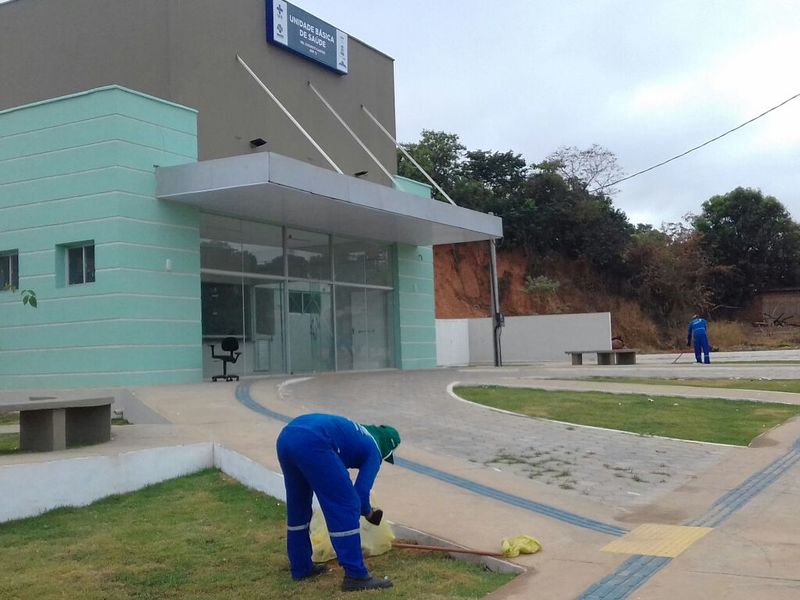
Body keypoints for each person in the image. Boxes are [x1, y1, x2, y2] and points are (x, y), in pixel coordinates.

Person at [276, 413, 401, 592]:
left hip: (287, 436)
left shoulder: (358, 432)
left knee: (299, 506)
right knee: (346, 505)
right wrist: (369, 512)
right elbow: (361, 493)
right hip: (315, 441)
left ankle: (301, 567)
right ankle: (356, 576)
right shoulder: (374, 449)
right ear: (388, 446)